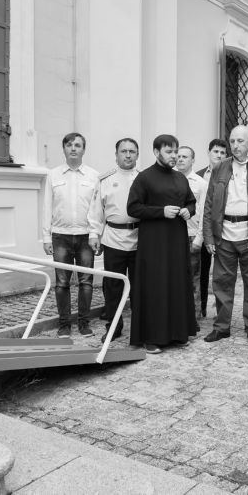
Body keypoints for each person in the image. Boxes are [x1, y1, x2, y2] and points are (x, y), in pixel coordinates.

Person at [203, 125, 248, 346]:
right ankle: (221, 327)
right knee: (222, 283)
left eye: (240, 141)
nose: (235, 145)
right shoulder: (220, 168)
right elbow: (209, 204)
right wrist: (209, 237)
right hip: (224, 235)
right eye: (232, 141)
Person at [127, 134, 196, 354]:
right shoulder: (144, 178)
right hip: (154, 243)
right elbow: (133, 208)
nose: (174, 156)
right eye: (169, 151)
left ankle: (178, 333)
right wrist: (161, 212)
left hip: (177, 241)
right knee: (155, 287)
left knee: (176, 284)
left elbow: (191, 202)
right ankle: (152, 337)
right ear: (157, 152)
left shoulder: (181, 178)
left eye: (176, 151)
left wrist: (188, 211)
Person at [42, 132, 99, 338]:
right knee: (62, 283)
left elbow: (96, 209)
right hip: (60, 236)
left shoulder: (94, 176)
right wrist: (46, 237)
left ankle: (84, 323)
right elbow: (47, 206)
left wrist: (95, 233)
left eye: (77, 145)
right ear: (64, 149)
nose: (73, 148)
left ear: (84, 149)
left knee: (86, 282)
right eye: (69, 145)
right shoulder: (53, 175)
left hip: (85, 237)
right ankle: (64, 325)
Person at [88, 138, 140, 342]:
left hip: (139, 240)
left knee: (139, 287)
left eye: (132, 151)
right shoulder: (105, 180)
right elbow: (96, 210)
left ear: (137, 155)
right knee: (113, 287)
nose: (128, 155)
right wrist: (94, 234)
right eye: (123, 151)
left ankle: (140, 328)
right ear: (116, 155)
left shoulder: (144, 179)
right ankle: (114, 327)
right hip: (113, 240)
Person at [196, 138, 230, 318]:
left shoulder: (231, 174)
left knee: (222, 274)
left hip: (223, 229)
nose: (219, 155)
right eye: (216, 151)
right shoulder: (198, 175)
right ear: (209, 153)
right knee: (201, 271)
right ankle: (201, 308)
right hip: (202, 229)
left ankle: (221, 311)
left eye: (223, 152)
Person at [176, 145, 208, 333]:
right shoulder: (170, 179)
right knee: (175, 279)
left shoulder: (200, 183)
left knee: (193, 280)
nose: (180, 159)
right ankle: (177, 316)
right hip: (173, 238)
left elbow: (204, 212)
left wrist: (200, 238)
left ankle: (193, 319)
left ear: (193, 160)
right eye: (178, 156)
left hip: (191, 236)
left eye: (185, 157)